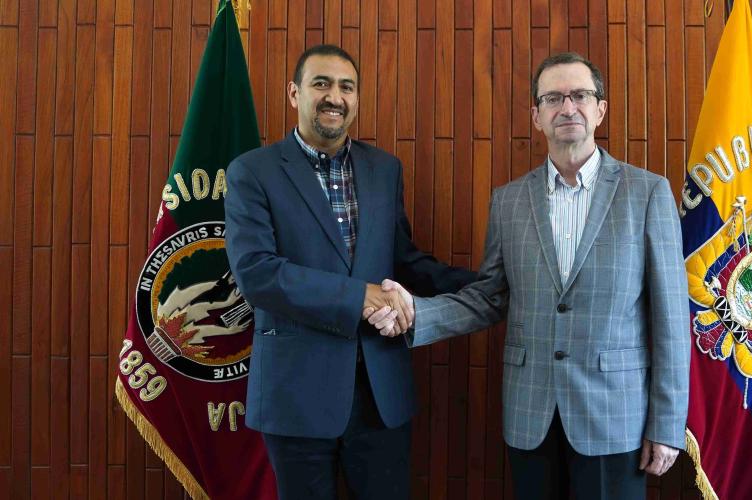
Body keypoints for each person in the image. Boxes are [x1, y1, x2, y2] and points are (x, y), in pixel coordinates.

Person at [367, 52, 690, 499]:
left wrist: (668, 424)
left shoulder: (647, 193)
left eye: (580, 95)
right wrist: (415, 312)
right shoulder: (509, 201)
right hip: (530, 414)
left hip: (615, 416)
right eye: (553, 98)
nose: (568, 107)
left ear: (601, 109)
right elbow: (490, 297)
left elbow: (671, 319)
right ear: (536, 116)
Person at [224, 44, 476, 500]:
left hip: (381, 393)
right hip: (296, 396)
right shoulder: (252, 172)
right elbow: (256, 273)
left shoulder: (385, 170)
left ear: (357, 98)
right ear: (294, 93)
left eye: (346, 87)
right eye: (321, 84)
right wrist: (361, 296)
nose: (334, 97)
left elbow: (404, 261)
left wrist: (483, 284)